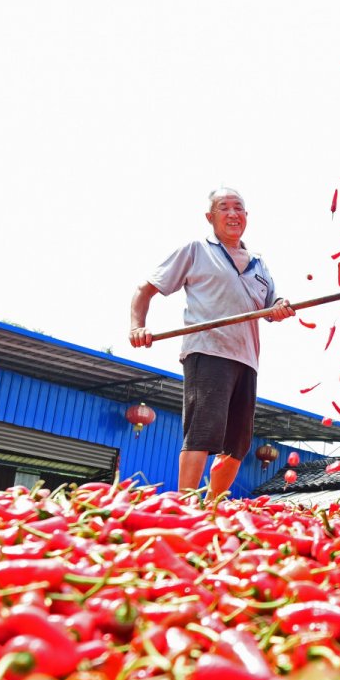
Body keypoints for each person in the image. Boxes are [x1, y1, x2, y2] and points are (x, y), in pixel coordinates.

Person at [128, 188, 294, 498]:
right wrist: (138, 326)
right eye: (224, 208)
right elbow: (145, 289)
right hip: (208, 351)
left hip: (247, 359)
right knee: (203, 433)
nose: (233, 214)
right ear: (210, 217)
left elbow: (272, 306)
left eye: (239, 208)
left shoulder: (259, 263)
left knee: (237, 444)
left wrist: (280, 306)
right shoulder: (197, 250)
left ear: (246, 216)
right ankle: (184, 504)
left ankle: (213, 505)